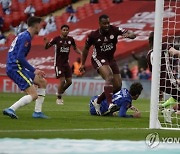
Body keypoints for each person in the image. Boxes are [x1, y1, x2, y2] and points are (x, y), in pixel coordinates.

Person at [79, 14, 136, 115]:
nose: (107, 25)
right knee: (109, 76)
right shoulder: (93, 35)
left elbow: (130, 33)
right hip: (98, 58)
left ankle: (97, 102)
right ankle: (110, 104)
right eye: (104, 23)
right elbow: (85, 49)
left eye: (108, 23)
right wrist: (82, 64)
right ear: (99, 23)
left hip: (110, 59)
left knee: (118, 85)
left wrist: (131, 35)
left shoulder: (114, 30)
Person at [3, 16, 48, 119]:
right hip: (15, 68)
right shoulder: (26, 37)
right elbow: (19, 57)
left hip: (17, 66)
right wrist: (34, 70)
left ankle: (37, 112)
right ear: (36, 25)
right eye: (40, 25)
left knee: (42, 82)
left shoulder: (24, 35)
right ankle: (11, 109)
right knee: (34, 95)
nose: (41, 27)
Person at [44, 25, 82, 105]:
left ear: (68, 31)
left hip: (66, 63)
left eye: (67, 30)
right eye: (64, 30)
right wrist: (46, 43)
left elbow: (75, 48)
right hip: (58, 63)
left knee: (69, 82)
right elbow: (46, 47)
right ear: (61, 31)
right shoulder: (56, 39)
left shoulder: (70, 39)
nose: (65, 31)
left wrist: (81, 53)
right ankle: (59, 98)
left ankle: (59, 92)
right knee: (62, 80)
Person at [147, 32, 180, 122]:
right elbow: (174, 52)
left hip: (159, 83)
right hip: (168, 80)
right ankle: (169, 111)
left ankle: (168, 111)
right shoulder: (163, 46)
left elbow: (152, 71)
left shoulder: (149, 54)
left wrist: (158, 89)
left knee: (177, 97)